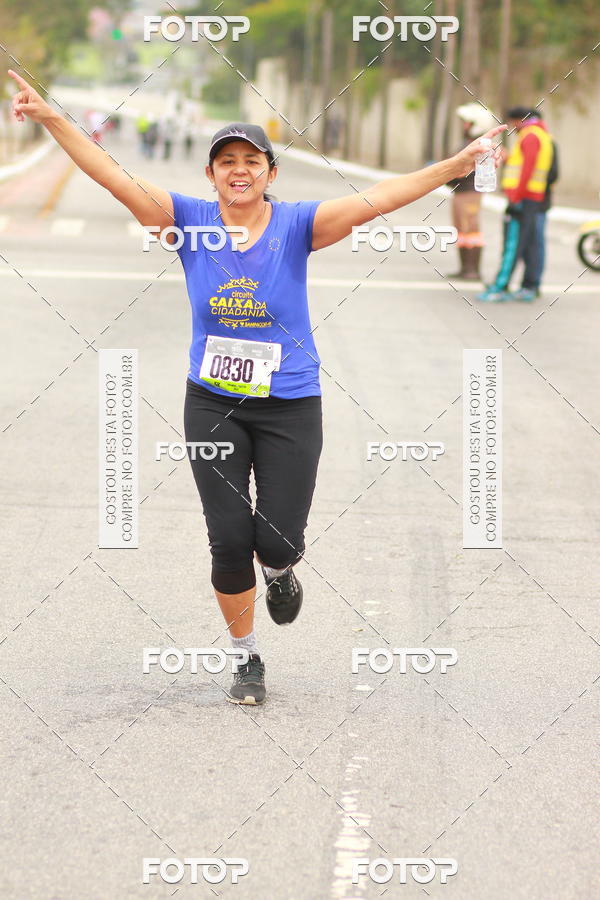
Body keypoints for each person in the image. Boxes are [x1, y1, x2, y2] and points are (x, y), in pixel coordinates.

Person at [8, 68, 506, 705]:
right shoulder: (186, 220)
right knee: (227, 538)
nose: (238, 170)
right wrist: (52, 118)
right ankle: (245, 657)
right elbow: (108, 173)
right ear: (211, 176)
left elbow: (378, 199)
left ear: (271, 173)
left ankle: (280, 570)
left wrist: (455, 165)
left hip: (290, 404)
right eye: (225, 162)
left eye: (251, 160)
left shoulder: (299, 225)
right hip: (211, 403)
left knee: (277, 539)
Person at [477, 106, 554, 303]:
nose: (512, 127)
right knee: (525, 244)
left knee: (513, 245)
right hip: (530, 198)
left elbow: (528, 169)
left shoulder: (530, 136)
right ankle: (518, 285)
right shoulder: (540, 134)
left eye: (512, 123)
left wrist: (516, 196)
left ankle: (500, 287)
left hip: (523, 199)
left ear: (519, 120)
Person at [446, 102, 497, 280]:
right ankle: (465, 267)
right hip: (460, 192)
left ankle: (472, 269)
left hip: (470, 192)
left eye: (467, 122)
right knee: (461, 230)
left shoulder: (480, 145)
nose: (464, 126)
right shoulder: (468, 143)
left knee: (471, 228)